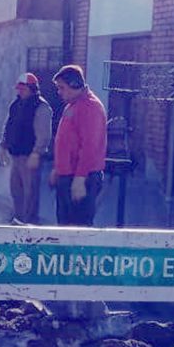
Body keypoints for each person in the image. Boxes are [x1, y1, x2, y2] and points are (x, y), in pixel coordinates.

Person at [50, 64, 107, 226]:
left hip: (82, 177)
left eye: (62, 87)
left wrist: (80, 178)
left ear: (75, 85)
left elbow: (90, 146)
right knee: (64, 227)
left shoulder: (91, 107)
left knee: (78, 228)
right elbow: (66, 142)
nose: (59, 92)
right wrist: (58, 168)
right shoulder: (73, 105)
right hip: (68, 175)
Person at [0, 72, 53, 224]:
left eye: (23, 89)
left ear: (32, 88)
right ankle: (18, 219)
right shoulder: (16, 105)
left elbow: (44, 134)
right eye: (19, 89)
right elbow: (8, 126)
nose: (19, 91)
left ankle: (29, 223)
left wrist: (37, 153)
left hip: (30, 157)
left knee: (30, 192)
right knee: (16, 190)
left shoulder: (41, 107)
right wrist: (3, 145)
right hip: (16, 156)